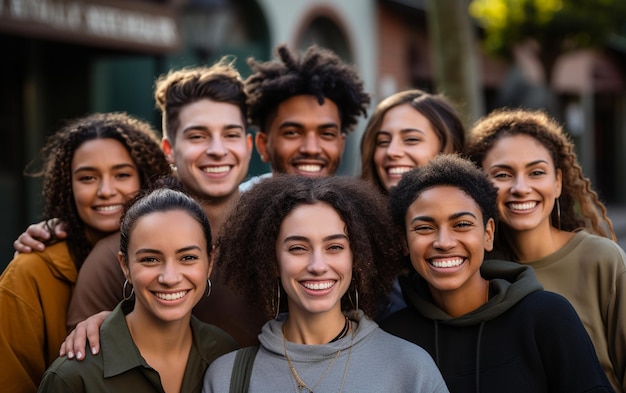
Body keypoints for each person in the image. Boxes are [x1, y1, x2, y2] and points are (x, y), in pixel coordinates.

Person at [13, 59, 265, 348]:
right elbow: (81, 372)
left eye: (230, 135)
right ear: (169, 149)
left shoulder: (277, 232)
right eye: (197, 136)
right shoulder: (114, 253)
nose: (217, 150)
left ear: (248, 146)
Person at [381, 154, 615, 393]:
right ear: (405, 242)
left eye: (461, 224)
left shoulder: (546, 317)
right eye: (424, 228)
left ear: (488, 234)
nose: (444, 242)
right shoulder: (393, 338)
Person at [202, 175, 449, 392]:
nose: (318, 266)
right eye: (298, 248)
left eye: (335, 247)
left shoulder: (410, 368)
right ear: (272, 261)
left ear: (357, 258)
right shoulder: (227, 377)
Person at [0, 112, 171, 393]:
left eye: (122, 174)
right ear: (69, 187)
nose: (105, 190)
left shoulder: (173, 266)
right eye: (88, 177)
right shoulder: (28, 273)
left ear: (147, 179)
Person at [465, 108, 626, 392]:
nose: (520, 187)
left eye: (536, 172)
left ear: (558, 182)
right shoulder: (476, 272)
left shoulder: (602, 260)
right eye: (502, 174)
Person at [38, 187, 237, 392]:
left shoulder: (225, 353)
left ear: (210, 262)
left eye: (187, 258)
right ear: (125, 266)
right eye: (150, 259)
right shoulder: (72, 377)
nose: (169, 278)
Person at [239, 43, 370, 189]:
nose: (311, 149)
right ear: (263, 145)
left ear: (341, 146)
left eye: (327, 134)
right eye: (292, 133)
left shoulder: (358, 211)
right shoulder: (235, 208)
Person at [360, 89, 465, 194]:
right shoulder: (349, 209)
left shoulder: (475, 209)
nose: (391, 152)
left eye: (411, 139)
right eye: (383, 142)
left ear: (447, 147)